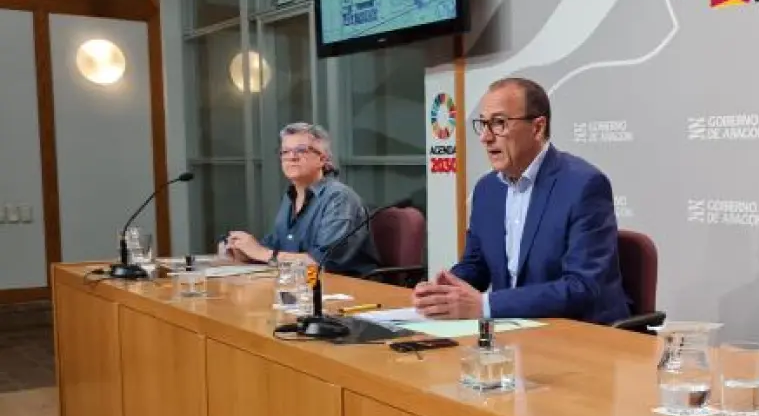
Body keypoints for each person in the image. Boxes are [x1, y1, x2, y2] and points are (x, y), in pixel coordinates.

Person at [412, 77, 630, 324]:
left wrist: (486, 305)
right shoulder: (487, 189)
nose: (485, 137)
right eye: (483, 124)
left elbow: (582, 287)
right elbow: (476, 265)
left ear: (537, 128)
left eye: (499, 123)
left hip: (580, 333)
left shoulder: (584, 185)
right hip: (515, 330)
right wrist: (444, 291)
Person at [222, 123, 379, 277]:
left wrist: (261, 253)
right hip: (300, 284)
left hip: (345, 287)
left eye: (301, 150)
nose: (291, 157)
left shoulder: (340, 198)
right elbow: (273, 247)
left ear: (322, 159)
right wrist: (242, 249)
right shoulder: (290, 196)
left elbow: (322, 263)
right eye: (285, 151)